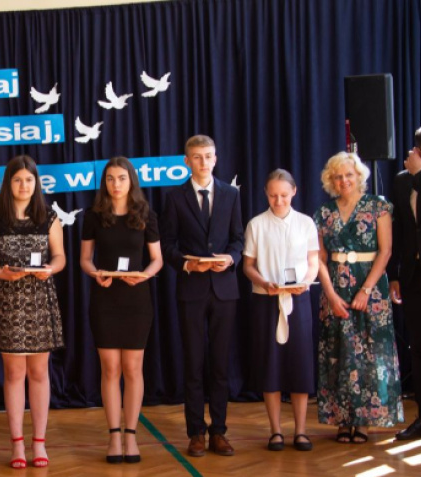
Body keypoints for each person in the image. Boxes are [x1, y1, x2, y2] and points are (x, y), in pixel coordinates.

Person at [160, 134, 243, 458]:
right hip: (191, 290)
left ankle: (218, 431)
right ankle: (195, 431)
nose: (203, 162)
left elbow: (238, 239)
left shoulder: (231, 194)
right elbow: (168, 244)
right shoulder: (174, 197)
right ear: (187, 161)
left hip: (224, 290)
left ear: (216, 158)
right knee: (193, 363)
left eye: (208, 156)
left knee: (220, 364)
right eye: (196, 157)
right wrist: (186, 263)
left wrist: (231, 259)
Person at [314, 152, 403, 443]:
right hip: (335, 290)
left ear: (359, 176)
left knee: (369, 354)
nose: (344, 181)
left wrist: (365, 290)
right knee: (339, 352)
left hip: (371, 289)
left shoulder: (378, 206)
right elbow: (319, 258)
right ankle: (342, 420)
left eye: (349, 175)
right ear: (331, 180)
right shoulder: (323, 213)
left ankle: (364, 420)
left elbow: (386, 251)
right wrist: (330, 293)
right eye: (338, 176)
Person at [0, 155, 64, 469]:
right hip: (10, 302)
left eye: (29, 180)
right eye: (17, 180)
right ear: (9, 183)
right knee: (15, 374)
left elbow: (60, 257)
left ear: (36, 183)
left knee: (40, 373)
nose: (24, 185)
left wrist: (50, 269)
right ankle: (17, 443)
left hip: (40, 301)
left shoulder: (48, 217)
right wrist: (4, 274)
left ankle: (39, 442)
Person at [80, 157, 162, 464]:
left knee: (133, 368)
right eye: (111, 178)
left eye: (122, 178)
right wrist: (95, 273)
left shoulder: (145, 214)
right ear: (105, 182)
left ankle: (131, 434)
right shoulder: (94, 215)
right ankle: (114, 435)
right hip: (105, 299)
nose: (116, 184)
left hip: (136, 300)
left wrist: (145, 275)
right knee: (110, 368)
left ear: (131, 181)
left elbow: (157, 259)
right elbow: (85, 259)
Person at [242, 170, 319, 452]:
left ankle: (301, 431)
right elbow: (248, 266)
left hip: (298, 300)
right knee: (270, 365)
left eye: (284, 195)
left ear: (294, 192)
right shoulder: (256, 224)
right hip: (266, 301)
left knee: (300, 364)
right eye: (273, 195)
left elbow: (313, 261)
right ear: (266, 193)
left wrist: (306, 282)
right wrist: (264, 282)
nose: (278, 201)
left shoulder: (306, 223)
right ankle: (275, 430)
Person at [389, 125, 421, 440]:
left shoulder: (420, 179)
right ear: (418, 151)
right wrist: (394, 274)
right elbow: (401, 230)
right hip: (414, 278)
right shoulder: (403, 181)